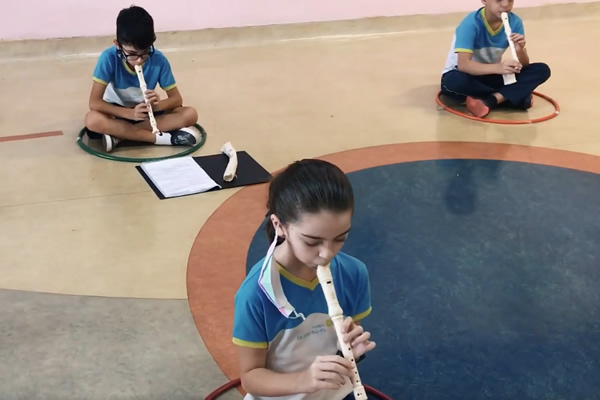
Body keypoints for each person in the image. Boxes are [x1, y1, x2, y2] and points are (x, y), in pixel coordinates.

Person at [232, 159, 376, 400]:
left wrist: (350, 351)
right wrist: (305, 380)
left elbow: (346, 345)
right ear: (279, 225)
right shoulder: (256, 294)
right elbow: (251, 377)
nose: (327, 253)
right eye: (312, 241)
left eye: (340, 238)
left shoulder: (354, 273)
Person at [84, 5, 200, 152]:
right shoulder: (108, 58)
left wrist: (156, 106)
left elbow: (176, 99)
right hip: (117, 113)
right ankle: (161, 139)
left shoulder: (158, 59)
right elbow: (94, 103)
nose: (139, 60)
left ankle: (120, 136)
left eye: (144, 53)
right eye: (132, 54)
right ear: (117, 45)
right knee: (92, 120)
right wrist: (130, 114)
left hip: (146, 113)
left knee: (190, 114)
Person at [440, 0, 551, 118]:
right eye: (498, 0)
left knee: (541, 69)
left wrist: (520, 51)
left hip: (491, 74)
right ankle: (513, 96)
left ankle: (492, 101)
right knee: (453, 81)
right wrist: (499, 68)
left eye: (510, 0)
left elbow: (524, 66)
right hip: (464, 74)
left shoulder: (515, 22)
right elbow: (464, 65)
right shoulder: (469, 24)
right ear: (484, 1)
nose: (505, 5)